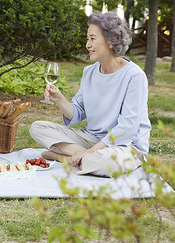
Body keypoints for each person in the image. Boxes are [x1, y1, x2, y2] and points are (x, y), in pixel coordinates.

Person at [29, 11, 151, 177]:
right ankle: (86, 158)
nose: (87, 44)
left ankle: (62, 157)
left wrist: (90, 151)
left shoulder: (134, 76)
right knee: (37, 128)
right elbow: (78, 113)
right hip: (90, 139)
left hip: (123, 145)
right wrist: (59, 100)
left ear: (110, 41)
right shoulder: (89, 72)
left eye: (92, 39)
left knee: (107, 163)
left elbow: (127, 128)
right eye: (87, 39)